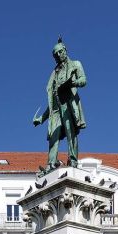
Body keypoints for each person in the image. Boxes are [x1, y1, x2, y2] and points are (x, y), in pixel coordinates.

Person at [33, 38, 88, 169]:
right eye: (55, 54)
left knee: (71, 132)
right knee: (53, 136)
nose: (58, 55)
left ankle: (73, 160)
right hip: (57, 108)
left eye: (60, 52)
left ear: (65, 50)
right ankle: (51, 163)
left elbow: (83, 80)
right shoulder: (54, 74)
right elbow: (51, 103)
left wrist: (73, 83)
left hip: (68, 103)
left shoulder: (75, 64)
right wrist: (41, 118)